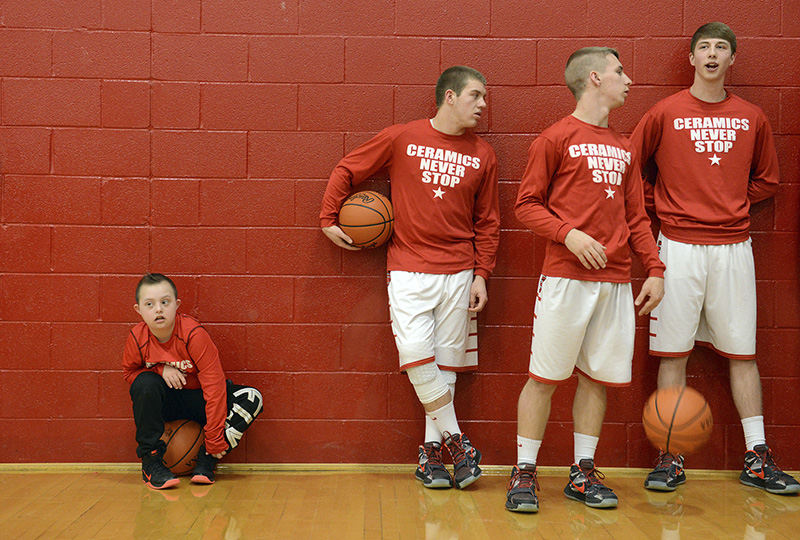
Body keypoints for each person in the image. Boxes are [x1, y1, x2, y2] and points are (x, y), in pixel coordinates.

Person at [630, 22, 799, 495]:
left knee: (743, 353)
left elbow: (767, 180)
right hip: (677, 249)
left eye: (720, 47)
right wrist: (663, 200)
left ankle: (758, 456)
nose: (711, 54)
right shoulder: (664, 112)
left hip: (733, 247)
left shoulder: (753, 117)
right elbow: (628, 169)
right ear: (690, 58)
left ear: (731, 60)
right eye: (703, 46)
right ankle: (670, 456)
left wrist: (728, 201)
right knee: (673, 353)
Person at [320, 66, 500, 490]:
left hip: (459, 271)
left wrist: (482, 273)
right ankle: (458, 442)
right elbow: (348, 169)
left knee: (446, 366)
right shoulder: (403, 136)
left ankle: (430, 457)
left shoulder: (484, 155)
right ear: (450, 96)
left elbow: (489, 222)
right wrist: (328, 217)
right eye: (476, 96)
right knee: (417, 354)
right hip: (408, 267)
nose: (483, 105)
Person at [505, 47, 665, 513]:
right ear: (595, 78)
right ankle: (525, 472)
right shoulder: (555, 138)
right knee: (544, 378)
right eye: (620, 71)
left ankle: (582, 471)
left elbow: (637, 217)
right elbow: (526, 204)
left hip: (616, 281)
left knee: (596, 379)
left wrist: (654, 268)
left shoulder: (624, 147)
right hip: (565, 279)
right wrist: (568, 234)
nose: (629, 79)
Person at [123, 273, 263, 489]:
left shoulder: (193, 334)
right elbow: (130, 375)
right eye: (149, 304)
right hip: (166, 404)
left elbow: (214, 387)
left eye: (165, 302)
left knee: (252, 398)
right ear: (138, 310)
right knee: (144, 383)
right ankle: (151, 463)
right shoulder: (137, 337)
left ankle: (207, 458)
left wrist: (215, 438)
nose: (158, 309)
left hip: (198, 401)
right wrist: (160, 370)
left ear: (177, 305)